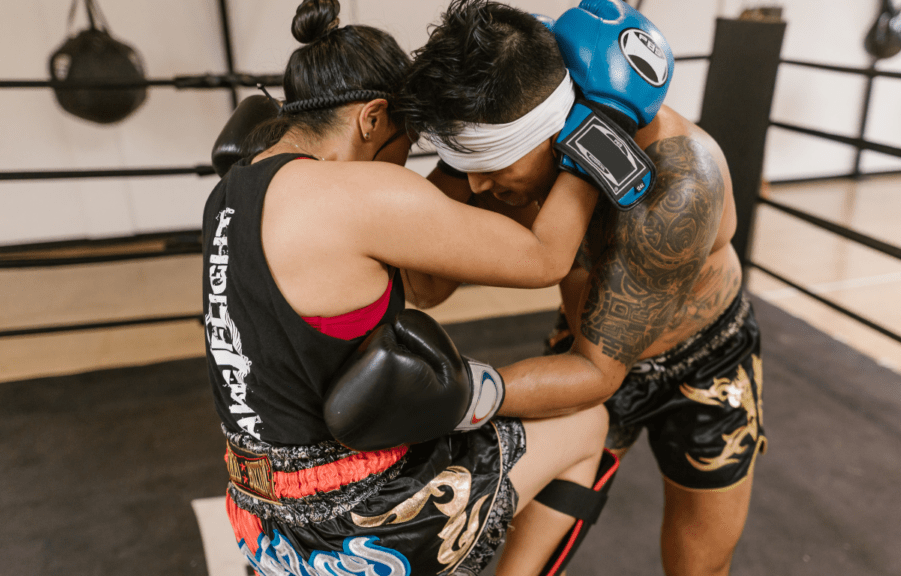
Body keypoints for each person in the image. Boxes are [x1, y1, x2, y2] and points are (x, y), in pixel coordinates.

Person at [201, 1, 615, 575]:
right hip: (354, 527)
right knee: (587, 421)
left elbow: (424, 286)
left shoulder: (228, 193)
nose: (409, 159)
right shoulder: (358, 193)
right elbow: (545, 257)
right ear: (372, 119)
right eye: (411, 137)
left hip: (258, 523)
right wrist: (602, 119)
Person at [399, 1, 767, 575]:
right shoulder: (512, 149)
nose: (477, 182)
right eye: (461, 159)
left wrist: (447, 395)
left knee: (700, 567)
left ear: (564, 124)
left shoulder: (679, 183)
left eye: (490, 160)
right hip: (582, 345)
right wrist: (456, 155)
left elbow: (600, 373)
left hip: (705, 363)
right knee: (519, 567)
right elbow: (424, 286)